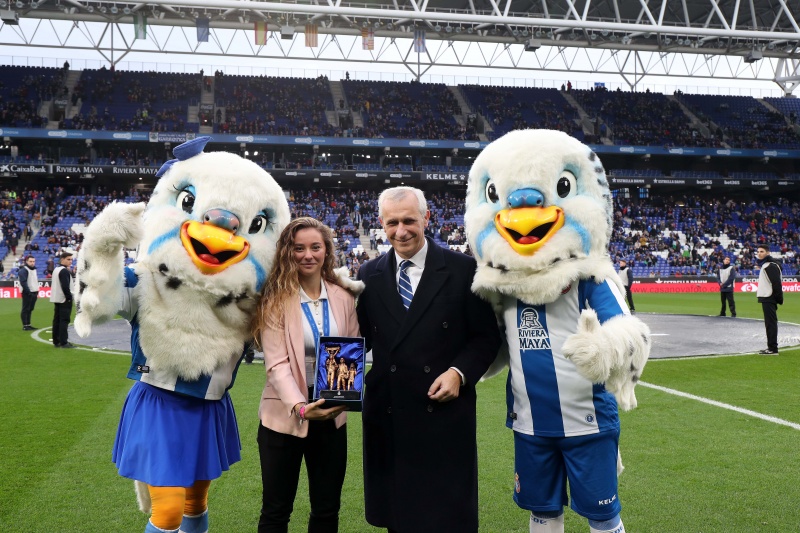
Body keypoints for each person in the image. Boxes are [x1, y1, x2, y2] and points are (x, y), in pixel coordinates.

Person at [356, 186, 501, 533]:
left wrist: (459, 373)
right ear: (381, 223)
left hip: (444, 412)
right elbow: (356, 340)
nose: (401, 231)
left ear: (426, 218)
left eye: (409, 220)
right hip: (389, 411)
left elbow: (486, 337)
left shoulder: (464, 270)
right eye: (392, 223)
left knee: (447, 516)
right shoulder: (368, 275)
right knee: (400, 518)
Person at [254, 217, 360, 533]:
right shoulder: (275, 299)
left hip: (331, 417)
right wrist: (301, 407)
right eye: (299, 248)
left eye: (315, 247)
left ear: (326, 251)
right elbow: (276, 365)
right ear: (289, 252)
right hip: (283, 419)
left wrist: (346, 397)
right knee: (276, 511)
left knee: (327, 511)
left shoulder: (343, 298)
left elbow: (351, 351)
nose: (307, 255)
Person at [755, 245, 783, 355]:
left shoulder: (770, 266)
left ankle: (773, 348)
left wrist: (779, 299)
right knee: (769, 323)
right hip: (767, 297)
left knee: (770, 323)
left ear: (767, 253)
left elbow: (776, 284)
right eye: (758, 251)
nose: (759, 253)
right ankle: (771, 347)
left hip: (769, 297)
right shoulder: (767, 265)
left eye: (762, 251)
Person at [50, 251, 75, 348]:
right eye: (68, 259)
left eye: (71, 259)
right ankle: (64, 342)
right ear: (62, 259)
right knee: (64, 320)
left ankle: (56, 340)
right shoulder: (64, 271)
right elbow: (65, 286)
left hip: (57, 298)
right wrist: (69, 297)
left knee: (57, 320)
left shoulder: (57, 269)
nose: (70, 261)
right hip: (64, 299)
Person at [19, 255, 38, 330]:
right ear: (26, 261)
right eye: (30, 261)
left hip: (34, 291)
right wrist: (28, 292)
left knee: (30, 308)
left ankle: (28, 324)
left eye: (33, 261)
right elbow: (23, 282)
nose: (32, 263)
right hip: (28, 292)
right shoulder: (23, 270)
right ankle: (25, 325)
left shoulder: (34, 269)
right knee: (26, 308)